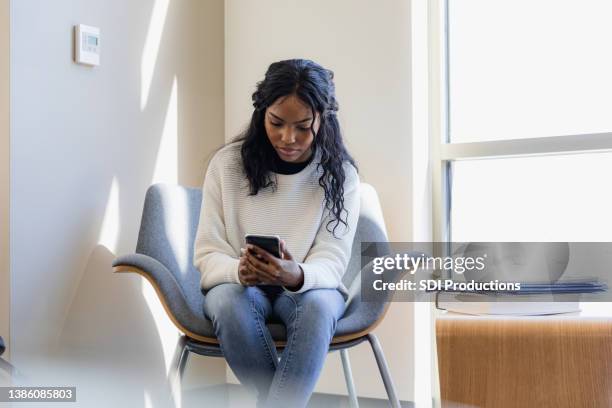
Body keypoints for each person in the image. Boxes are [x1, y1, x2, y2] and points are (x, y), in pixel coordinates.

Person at [193, 59, 360, 408]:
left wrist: (296, 274)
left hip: (311, 287)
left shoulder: (339, 176)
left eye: (302, 127)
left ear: (323, 119)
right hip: (239, 287)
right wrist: (237, 270)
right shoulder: (226, 165)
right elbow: (208, 253)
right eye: (276, 123)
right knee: (226, 302)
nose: (288, 138)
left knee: (316, 308)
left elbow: (333, 259)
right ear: (261, 114)